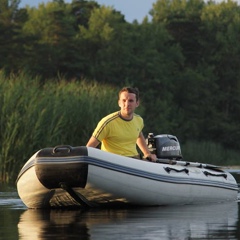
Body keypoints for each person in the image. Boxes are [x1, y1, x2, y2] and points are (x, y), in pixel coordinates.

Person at [86, 87, 157, 161]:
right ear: (119, 103)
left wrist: (147, 153)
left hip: (134, 160)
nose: (127, 104)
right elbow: (89, 147)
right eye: (124, 100)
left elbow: (138, 135)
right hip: (113, 162)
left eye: (131, 101)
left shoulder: (139, 120)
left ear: (137, 103)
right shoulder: (107, 122)